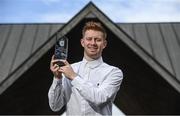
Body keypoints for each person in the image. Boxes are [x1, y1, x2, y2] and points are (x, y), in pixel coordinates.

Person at [48, 21, 123, 115]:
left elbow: (100, 98)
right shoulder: (69, 69)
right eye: (89, 39)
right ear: (82, 42)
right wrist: (57, 78)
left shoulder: (114, 72)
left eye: (98, 40)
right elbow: (55, 106)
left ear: (104, 44)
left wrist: (74, 77)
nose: (93, 43)